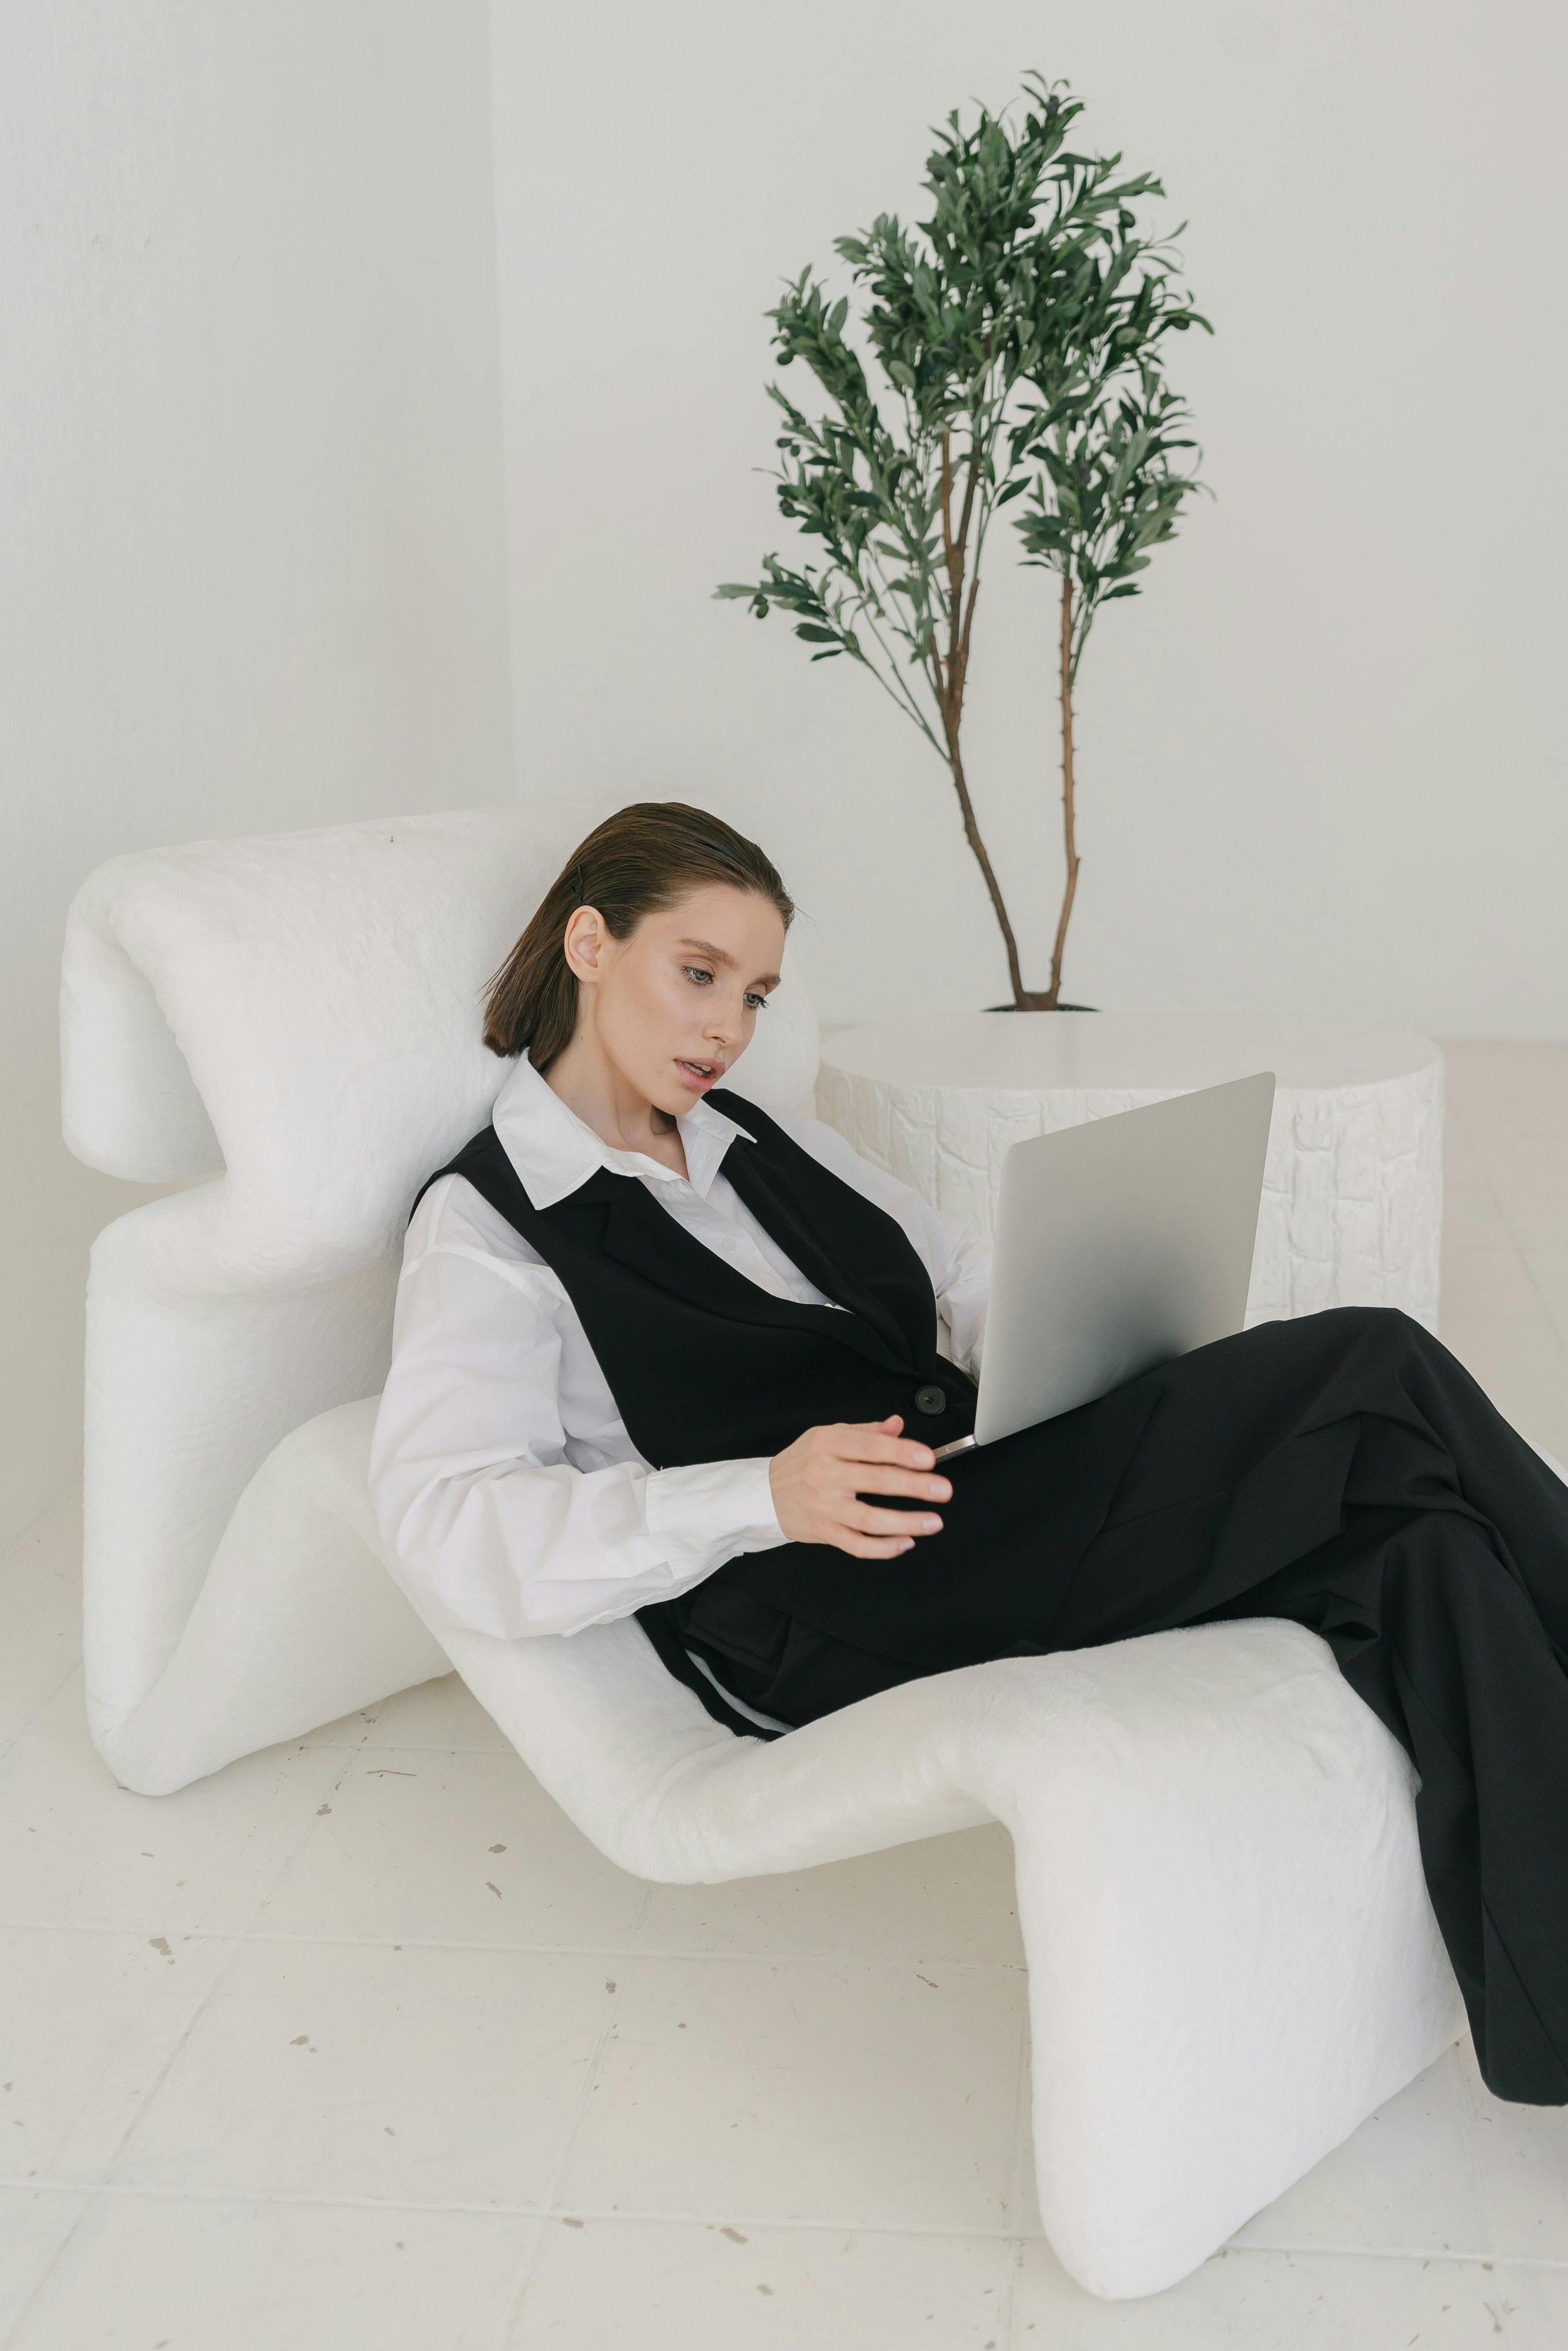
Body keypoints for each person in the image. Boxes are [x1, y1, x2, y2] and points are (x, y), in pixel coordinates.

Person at [370, 800, 1568, 2109]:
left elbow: (955, 1271)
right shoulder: (487, 1228)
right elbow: (445, 1522)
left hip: (977, 1498)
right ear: (590, 945)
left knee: (1419, 1544)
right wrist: (757, 1495)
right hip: (830, 1593)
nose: (726, 1026)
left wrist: (1066, 1336)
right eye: (696, 973)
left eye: (756, 994)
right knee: (1373, 1359)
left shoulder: (762, 1141)